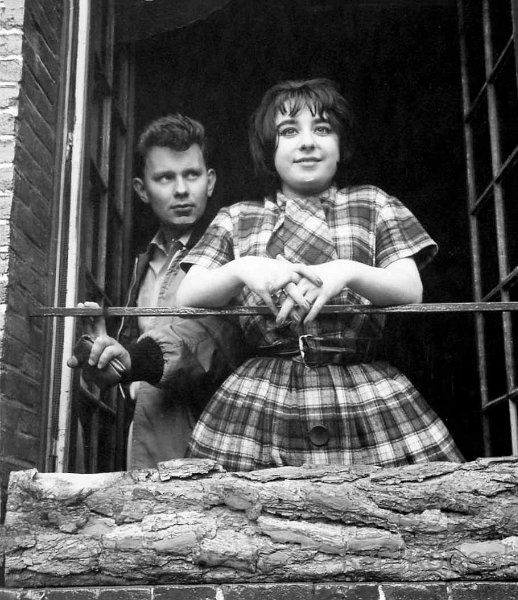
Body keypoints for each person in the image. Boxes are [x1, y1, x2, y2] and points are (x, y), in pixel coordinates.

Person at [175, 78, 463, 471]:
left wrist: (347, 272)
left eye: (323, 129)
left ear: (342, 145)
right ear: (268, 149)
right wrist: (243, 268)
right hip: (264, 395)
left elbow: (410, 289)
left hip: (364, 389)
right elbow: (187, 295)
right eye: (289, 131)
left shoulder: (374, 204)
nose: (307, 142)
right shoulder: (237, 218)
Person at [68, 114, 242, 469]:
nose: (181, 189)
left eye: (191, 175)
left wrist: (133, 358)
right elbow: (126, 367)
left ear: (209, 182)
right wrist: (105, 358)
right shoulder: (140, 263)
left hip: (211, 437)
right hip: (145, 439)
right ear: (141, 189)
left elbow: (210, 341)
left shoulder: (234, 254)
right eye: (165, 177)